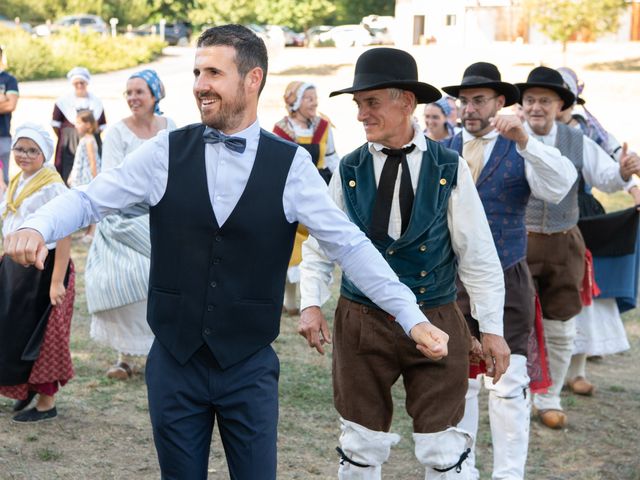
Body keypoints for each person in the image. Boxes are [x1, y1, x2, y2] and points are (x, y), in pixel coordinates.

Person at [4, 26, 451, 480]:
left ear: (252, 79)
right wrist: (36, 225)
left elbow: (351, 245)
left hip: (249, 368)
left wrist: (411, 317)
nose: (200, 83)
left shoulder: (291, 165)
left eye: (213, 72)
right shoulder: (165, 153)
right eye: (198, 72)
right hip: (174, 364)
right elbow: (88, 199)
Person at [298, 48, 510, 479]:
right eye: (358, 104)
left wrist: (491, 329)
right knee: (360, 442)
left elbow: (478, 253)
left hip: (435, 315)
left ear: (407, 103)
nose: (361, 114)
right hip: (362, 321)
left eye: (371, 102)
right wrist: (311, 303)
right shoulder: (350, 167)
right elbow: (322, 245)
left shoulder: (448, 166)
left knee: (443, 445)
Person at [441, 62, 577, 480]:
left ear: (501, 102)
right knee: (458, 383)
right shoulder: (441, 149)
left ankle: (508, 475)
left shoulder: (521, 146)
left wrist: (525, 141)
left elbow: (560, 185)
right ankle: (460, 470)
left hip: (507, 279)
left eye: (478, 100)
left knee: (508, 384)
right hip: (453, 283)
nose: (469, 109)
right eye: (463, 101)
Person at [514, 66, 640, 429]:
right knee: (516, 323)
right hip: (517, 243)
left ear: (559, 106)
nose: (536, 107)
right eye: (530, 100)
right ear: (522, 105)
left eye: (545, 101)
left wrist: (623, 171)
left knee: (562, 326)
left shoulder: (576, 141)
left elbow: (607, 177)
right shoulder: (507, 138)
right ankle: (516, 392)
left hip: (563, 242)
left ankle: (549, 397)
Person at [85, 69, 174, 380]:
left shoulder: (169, 128)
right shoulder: (118, 133)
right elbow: (111, 178)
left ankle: (158, 356)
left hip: (162, 215)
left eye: (139, 92)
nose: (133, 98)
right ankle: (124, 357)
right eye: (129, 93)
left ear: (154, 95)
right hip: (124, 219)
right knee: (126, 279)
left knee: (161, 284)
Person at [556, 66, 640, 396]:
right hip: (534, 218)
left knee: (585, 286)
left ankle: (578, 369)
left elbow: (617, 161)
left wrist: (633, 188)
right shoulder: (526, 125)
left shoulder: (589, 128)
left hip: (581, 212)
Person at [0, 123, 74, 423]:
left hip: (44, 269)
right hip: (18, 269)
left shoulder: (52, 185)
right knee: (14, 332)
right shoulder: (19, 180)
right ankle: (25, 389)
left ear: (45, 153)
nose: (24, 155)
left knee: (41, 337)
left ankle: (46, 402)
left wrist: (57, 282)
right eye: (19, 148)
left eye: (33, 150)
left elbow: (65, 232)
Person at [273, 80, 340, 315]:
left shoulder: (323, 127)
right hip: (291, 190)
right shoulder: (281, 130)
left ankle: (310, 301)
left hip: (318, 189)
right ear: (296, 102)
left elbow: (332, 158)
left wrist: (340, 184)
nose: (315, 103)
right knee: (291, 245)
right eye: (309, 98)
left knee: (317, 245)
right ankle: (289, 300)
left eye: (315, 98)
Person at [52, 66, 107, 183]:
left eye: (82, 82)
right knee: (68, 170)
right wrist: (66, 137)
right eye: (76, 83)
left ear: (87, 83)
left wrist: (89, 133)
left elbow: (101, 125)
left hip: (91, 138)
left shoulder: (96, 102)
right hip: (68, 142)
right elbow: (55, 125)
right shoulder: (63, 101)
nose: (79, 85)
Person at [68, 109, 101, 240]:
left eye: (79, 122)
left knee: (91, 205)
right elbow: (79, 159)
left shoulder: (89, 140)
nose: (76, 125)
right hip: (80, 176)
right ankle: (87, 231)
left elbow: (93, 161)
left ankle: (92, 232)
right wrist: (72, 175)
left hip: (87, 178)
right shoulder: (83, 139)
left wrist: (95, 180)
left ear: (88, 124)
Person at [0, 45, 19, 191]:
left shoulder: (9, 80)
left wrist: (6, 100)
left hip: (3, 135)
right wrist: (2, 98)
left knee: (3, 179)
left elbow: (11, 105)